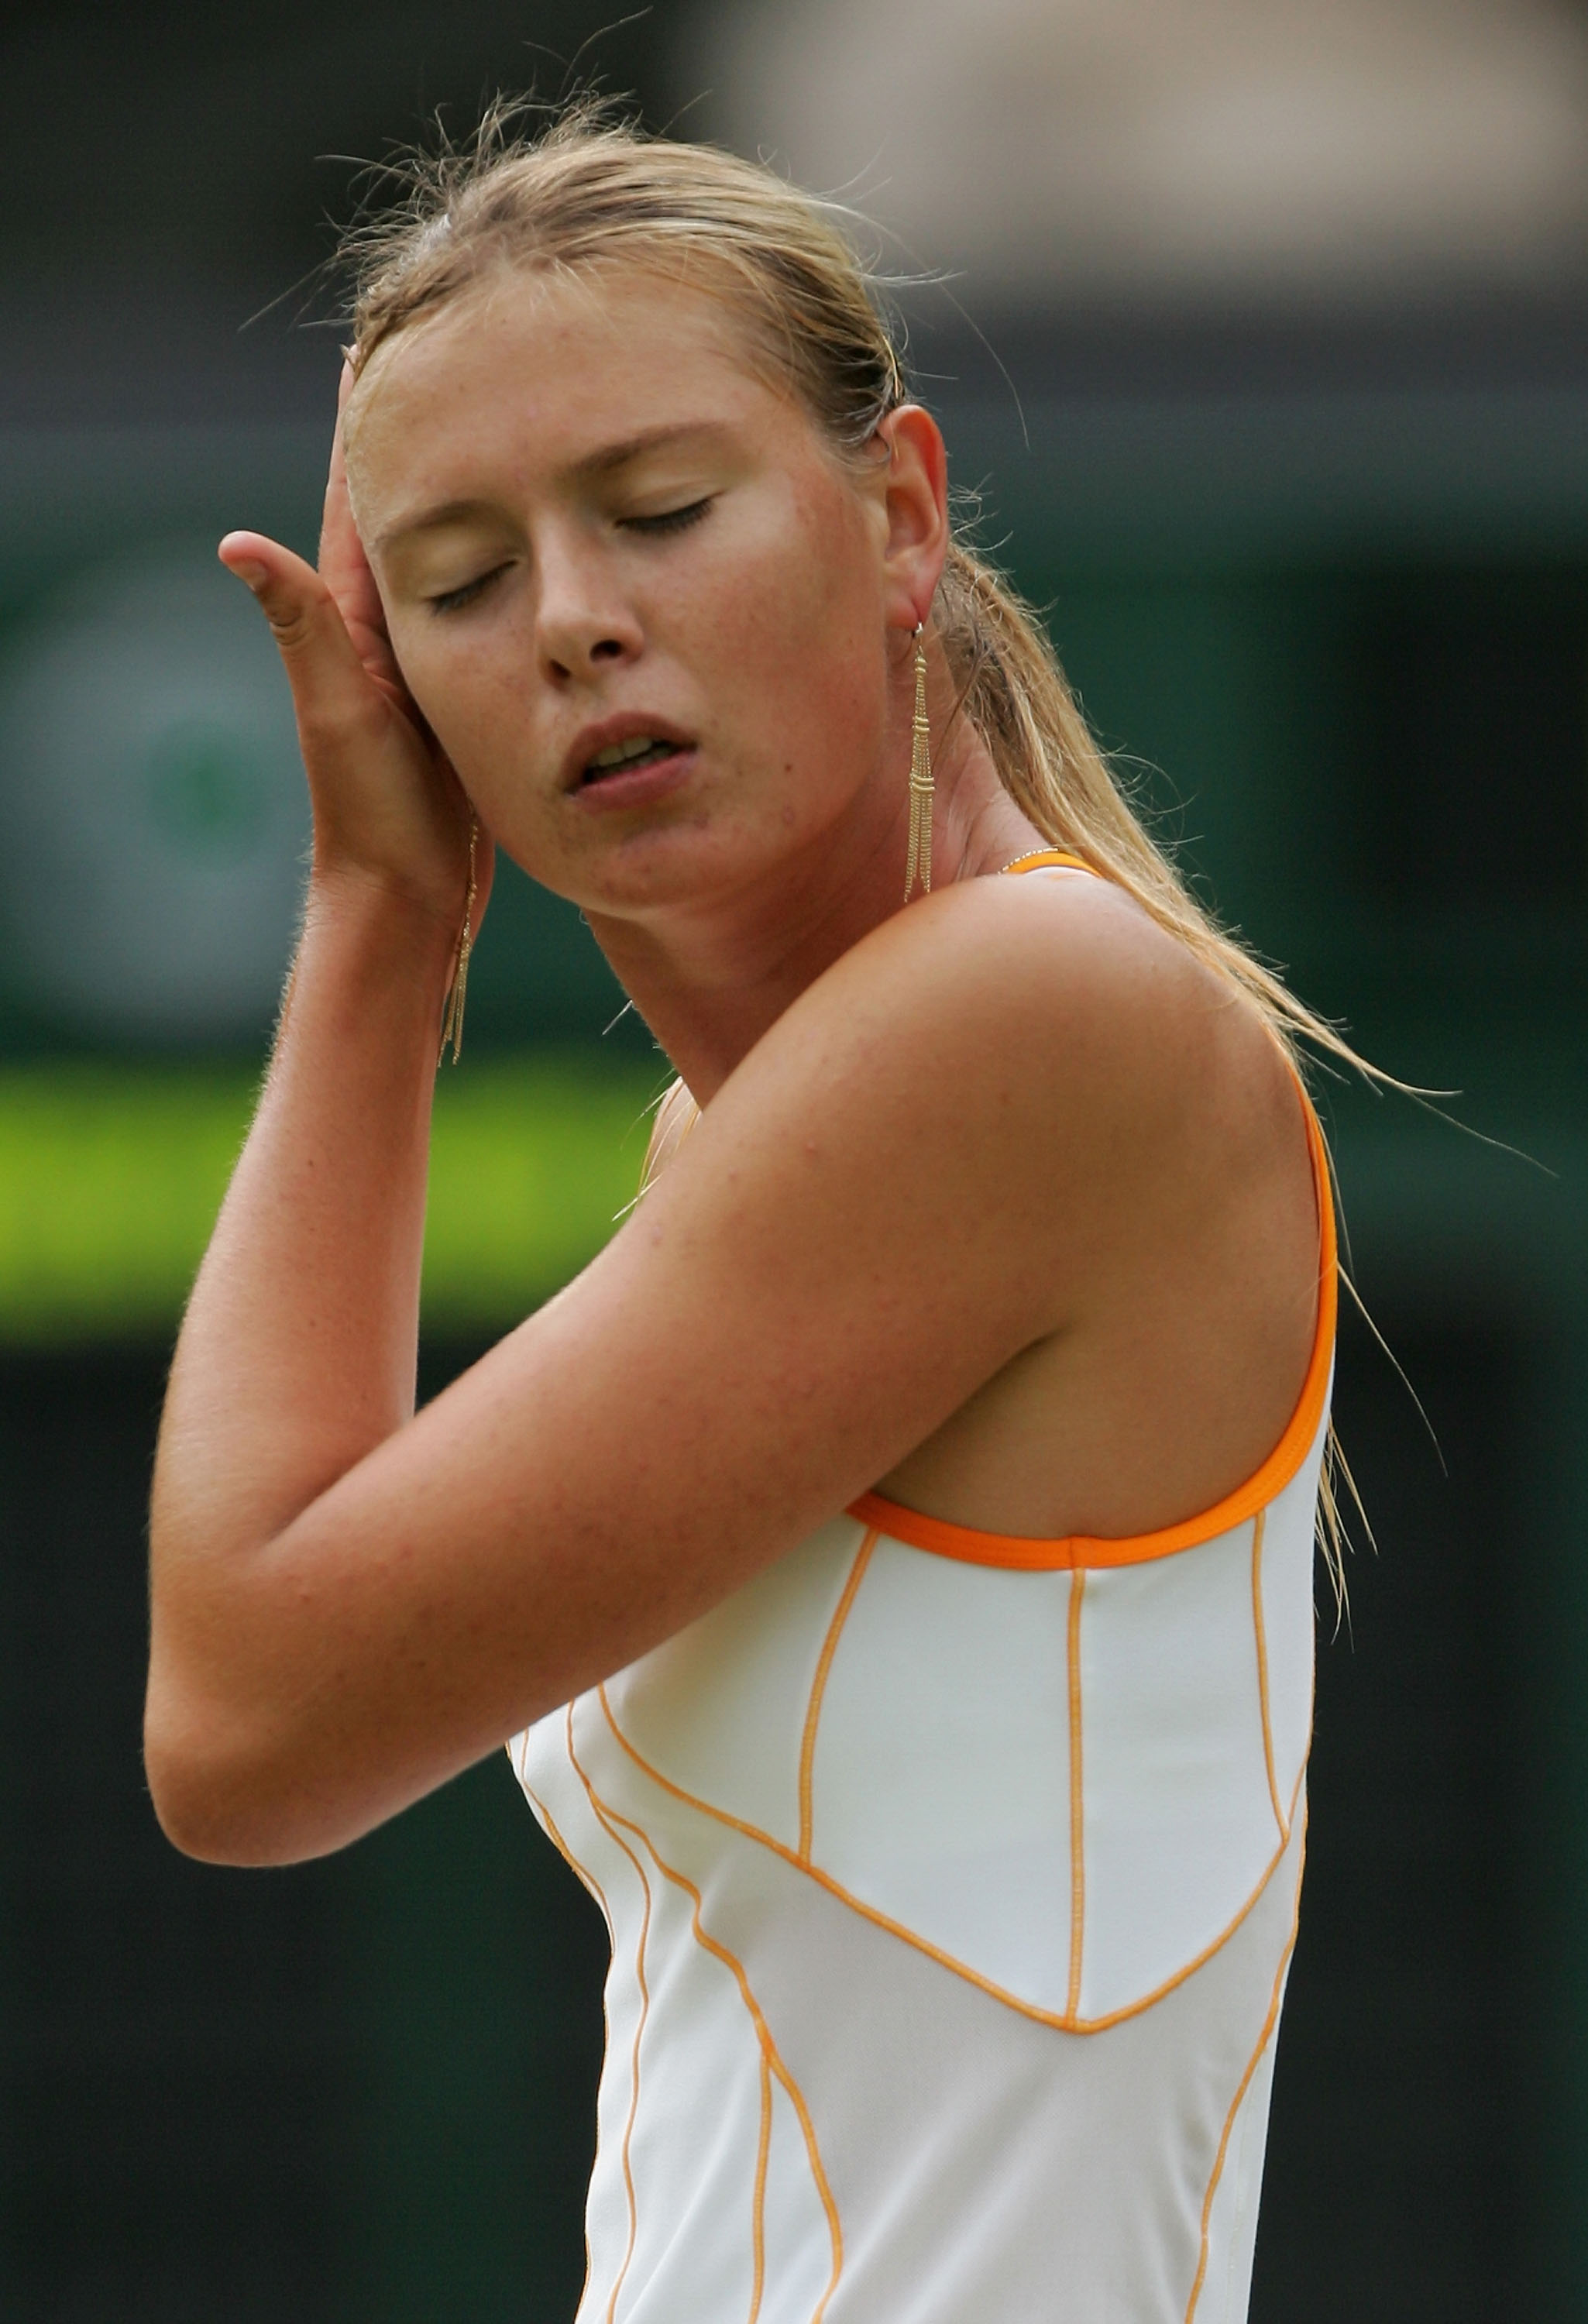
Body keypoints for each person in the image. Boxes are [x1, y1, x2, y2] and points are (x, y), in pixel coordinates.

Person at [146, 103, 1346, 2322]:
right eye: (461, 579)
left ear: (899, 515)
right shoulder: (756, 1136)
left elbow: (248, 1721)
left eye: (660, 511)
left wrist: (381, 908)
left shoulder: (1030, 1014)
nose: (574, 624)